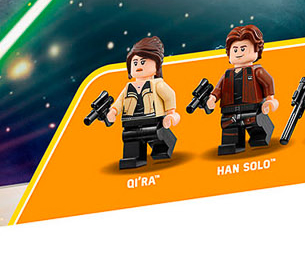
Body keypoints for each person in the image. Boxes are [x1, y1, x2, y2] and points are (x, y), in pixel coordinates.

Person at [94, 34, 181, 167]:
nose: (138, 66)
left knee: (156, 135)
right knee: (130, 137)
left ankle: (163, 148)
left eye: (143, 62)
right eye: (135, 63)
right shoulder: (128, 87)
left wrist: (170, 114)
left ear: (157, 65)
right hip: (131, 121)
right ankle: (133, 158)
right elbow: (119, 102)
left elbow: (170, 96)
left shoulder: (158, 84)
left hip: (153, 118)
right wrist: (113, 112)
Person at [202, 25, 278, 154]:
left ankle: (260, 137)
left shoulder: (257, 71)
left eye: (243, 49)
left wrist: (270, 100)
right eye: (235, 49)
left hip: (252, 107)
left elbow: (268, 83)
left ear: (256, 50)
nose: (238, 53)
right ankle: (232, 144)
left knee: (256, 125)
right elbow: (218, 89)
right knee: (229, 127)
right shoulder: (227, 74)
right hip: (229, 109)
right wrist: (212, 98)